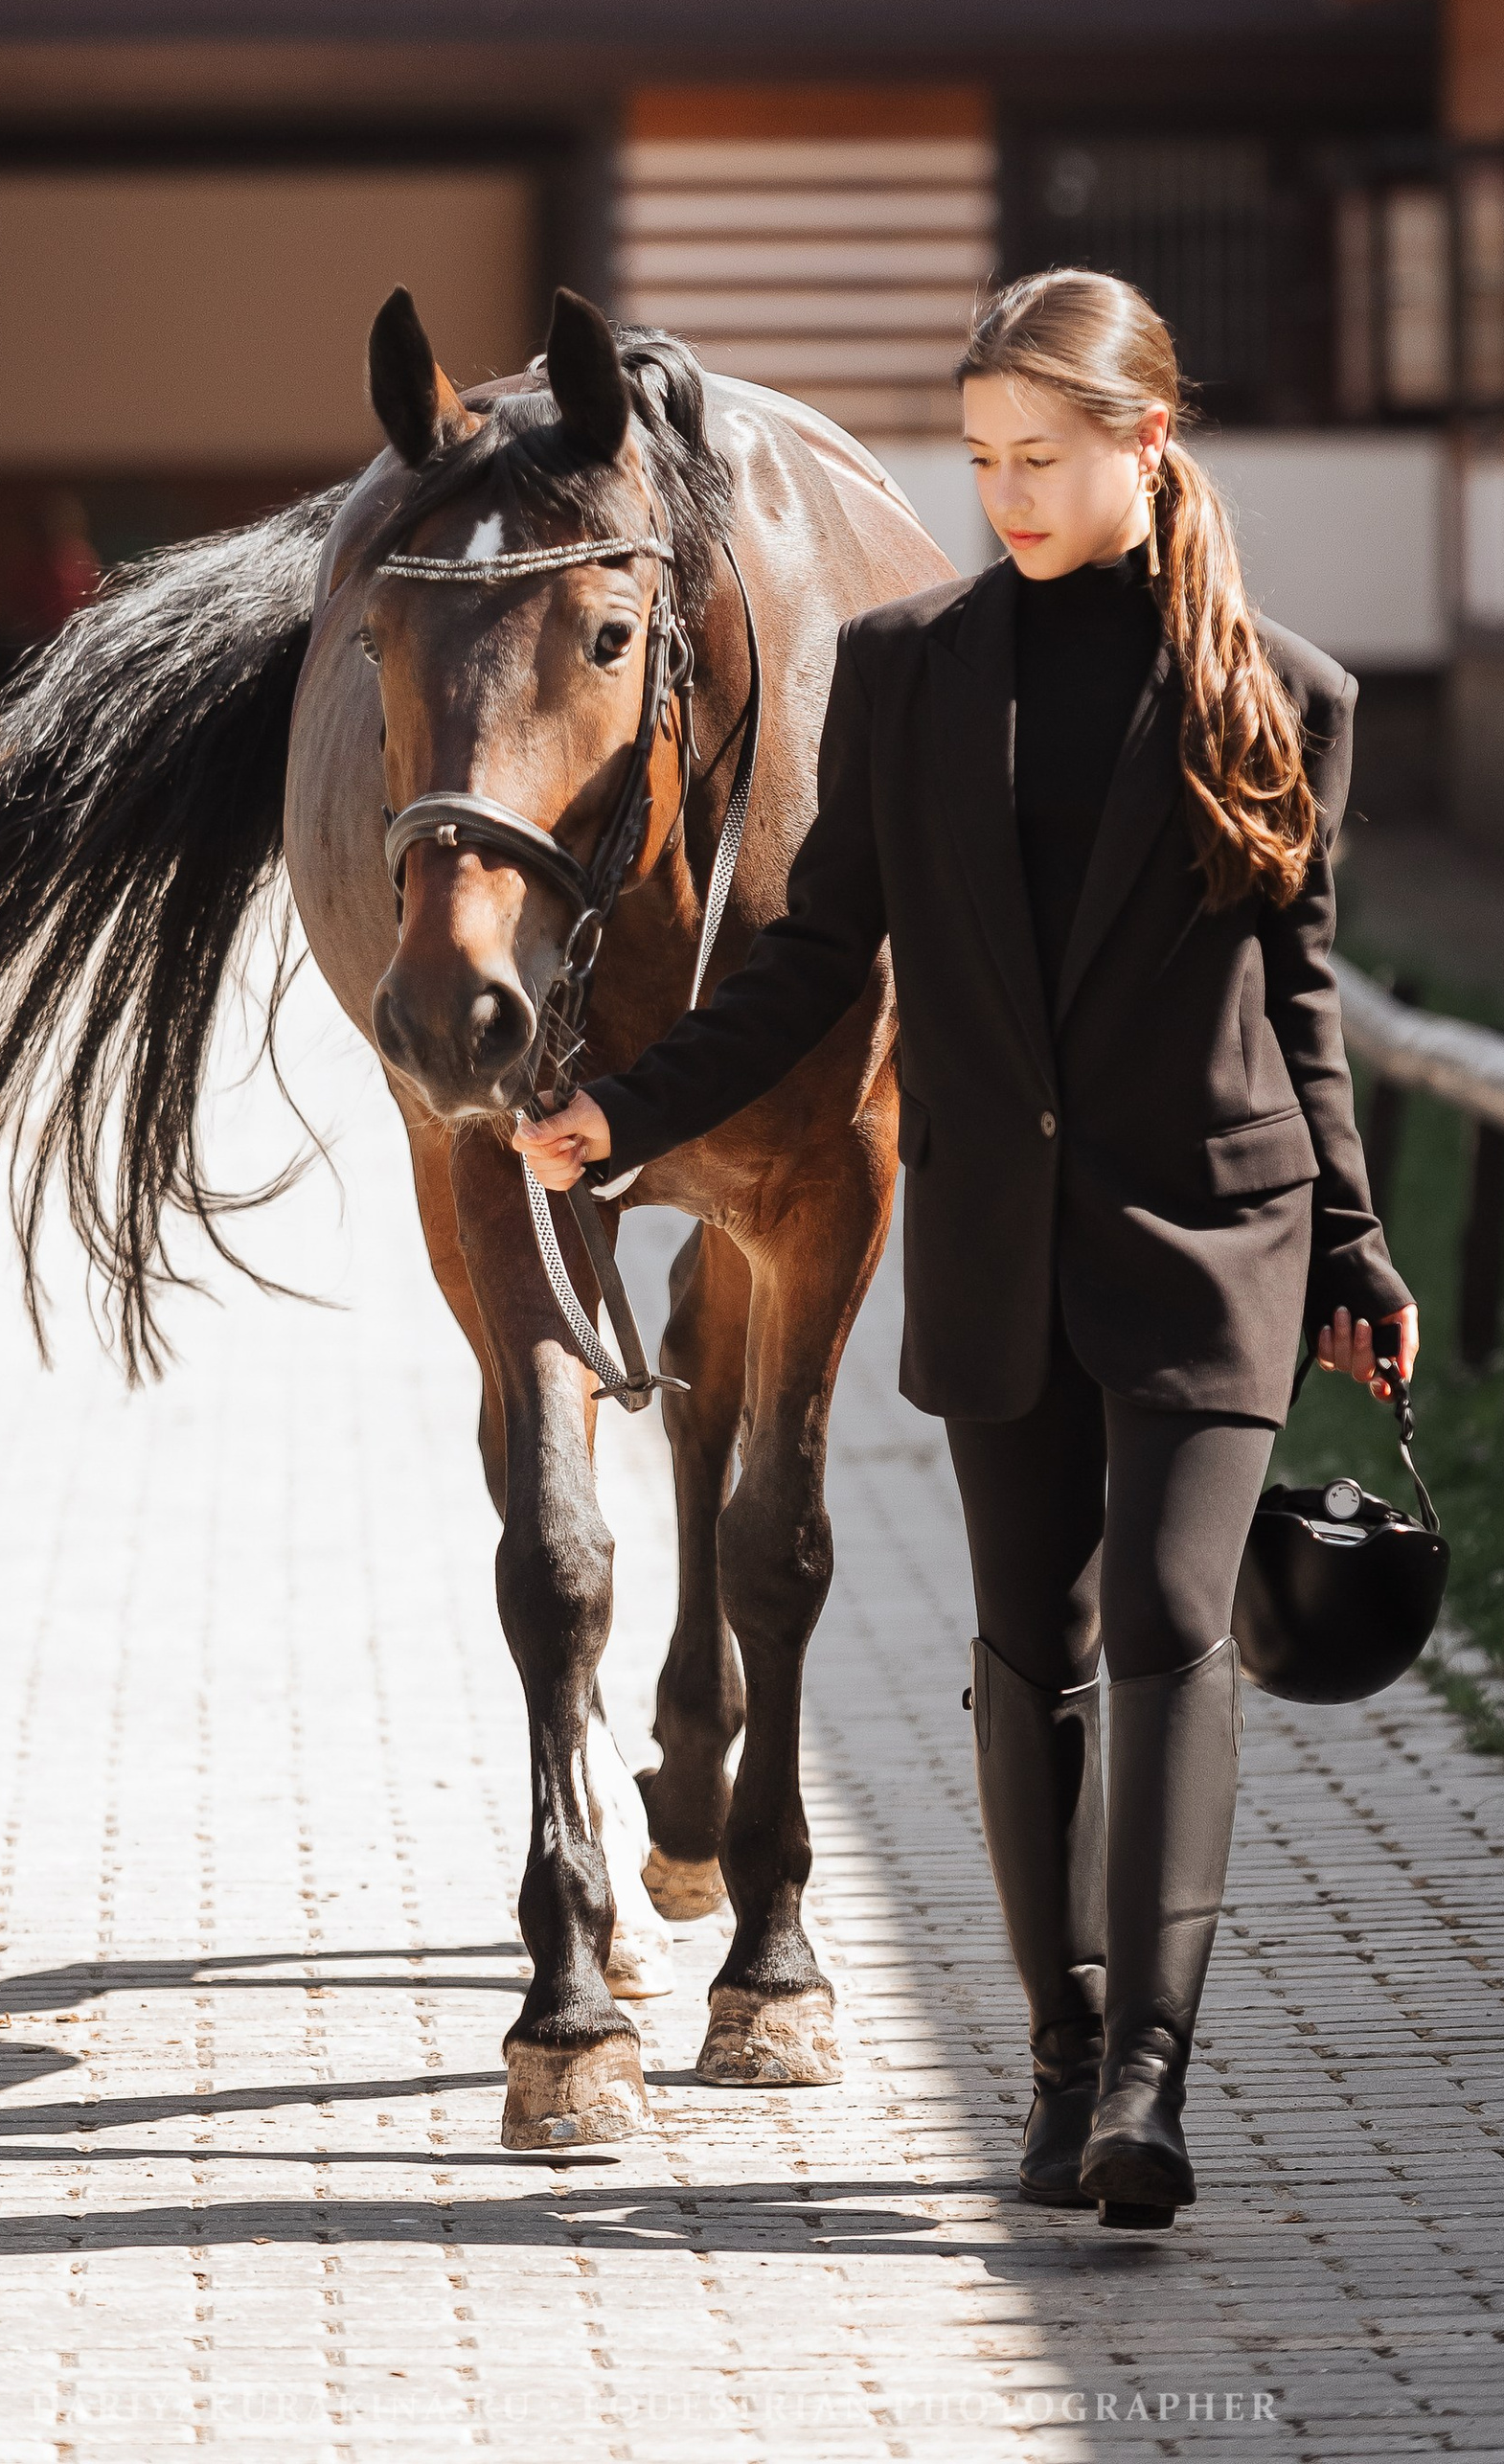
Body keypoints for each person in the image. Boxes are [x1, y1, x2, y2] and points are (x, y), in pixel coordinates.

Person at [512, 267, 1420, 2228]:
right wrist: (627, 1112)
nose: (1002, 492)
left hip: (1212, 1233)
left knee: (1177, 1630)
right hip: (1000, 1247)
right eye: (982, 455)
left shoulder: (1281, 695)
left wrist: (1350, 1247)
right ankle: (1059, 2050)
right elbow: (817, 965)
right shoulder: (909, 674)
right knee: (1032, 1656)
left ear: (1140, 445)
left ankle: (1148, 2092)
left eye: (1041, 456)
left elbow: (1303, 997)